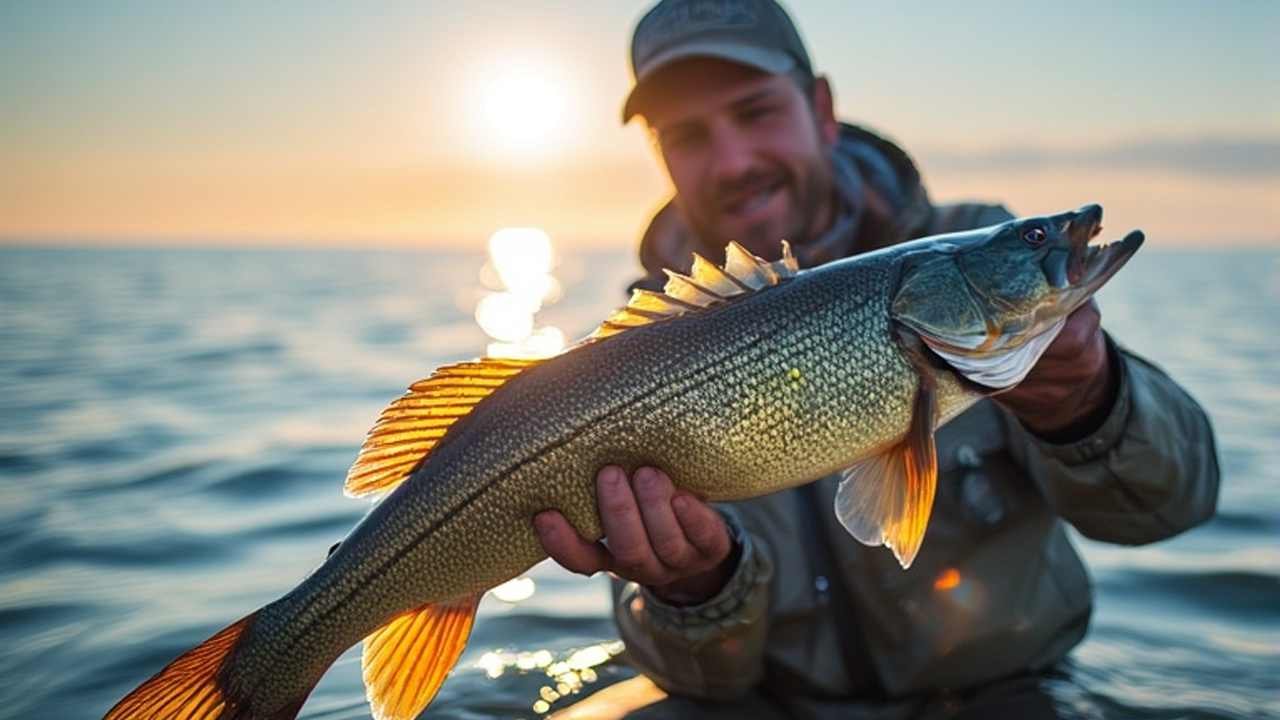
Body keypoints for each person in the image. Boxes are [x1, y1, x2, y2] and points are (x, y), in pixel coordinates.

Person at [533, 1, 1220, 717]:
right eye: (688, 135)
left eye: (757, 111)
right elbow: (699, 681)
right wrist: (694, 590)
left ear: (821, 109)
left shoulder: (967, 245)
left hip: (1001, 697)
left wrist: (1090, 404)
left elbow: (1171, 508)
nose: (733, 160)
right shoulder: (624, 362)